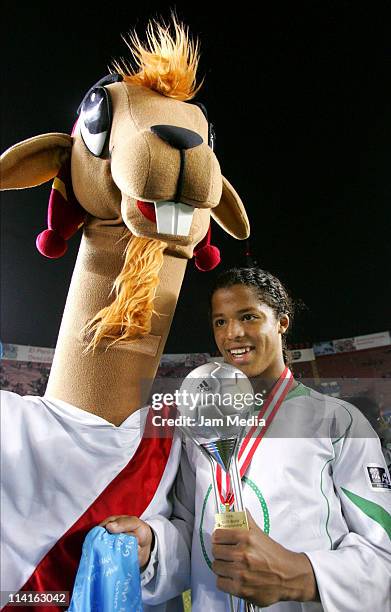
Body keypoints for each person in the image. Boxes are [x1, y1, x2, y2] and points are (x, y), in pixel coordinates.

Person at [107, 266, 391, 611]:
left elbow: (383, 556)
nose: (233, 334)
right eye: (220, 322)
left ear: (282, 322)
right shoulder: (195, 425)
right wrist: (152, 547)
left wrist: (301, 574)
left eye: (248, 316)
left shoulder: (339, 421)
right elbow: (190, 532)